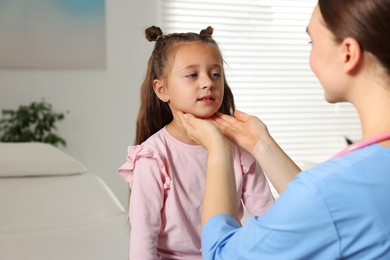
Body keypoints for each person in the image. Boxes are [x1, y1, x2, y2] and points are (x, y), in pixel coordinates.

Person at [178, 0, 390, 259]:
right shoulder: (348, 186)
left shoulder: (329, 191)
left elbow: (220, 253)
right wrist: (261, 145)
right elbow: (329, 218)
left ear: (348, 53)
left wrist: (218, 150)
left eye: (312, 42)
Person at [118, 26, 275, 259]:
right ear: (162, 89)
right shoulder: (153, 157)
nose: (207, 83)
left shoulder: (240, 146)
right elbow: (143, 239)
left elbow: (269, 218)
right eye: (192, 75)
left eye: (215, 74)